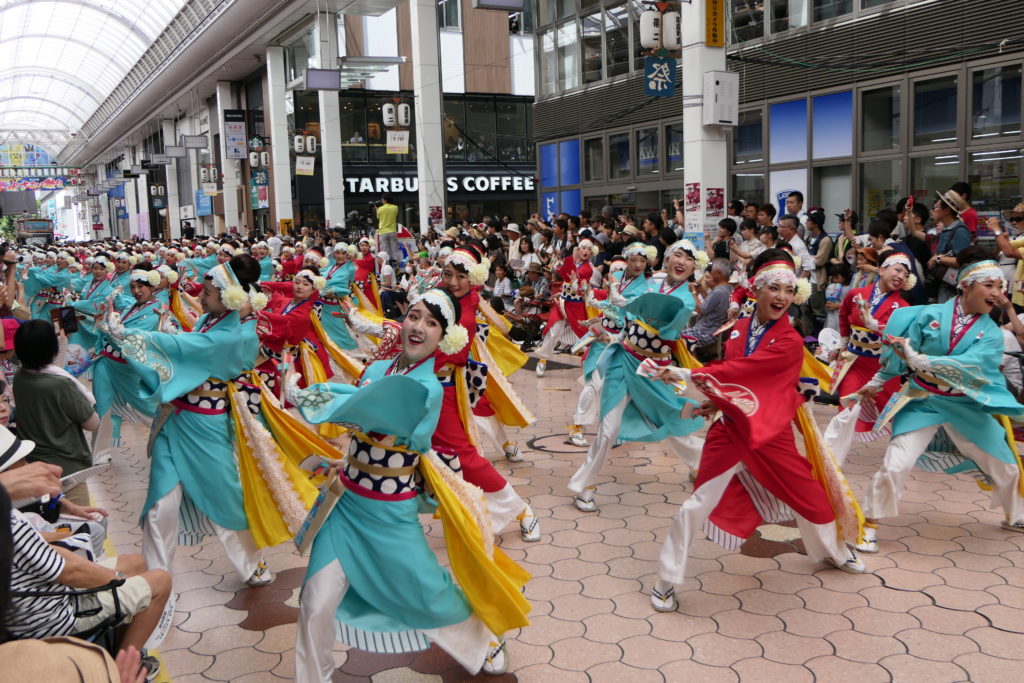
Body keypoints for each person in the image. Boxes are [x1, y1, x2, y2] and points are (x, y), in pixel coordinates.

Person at [290, 290, 529, 681]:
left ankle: (484, 639)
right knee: (315, 601)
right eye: (414, 317)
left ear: (443, 337)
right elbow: (362, 433)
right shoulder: (376, 371)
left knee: (432, 597)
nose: (418, 327)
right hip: (346, 504)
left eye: (432, 323)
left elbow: (376, 413)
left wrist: (315, 398)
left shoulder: (424, 390)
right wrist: (344, 461)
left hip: (389, 514)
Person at [649, 249, 866, 612]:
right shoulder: (740, 329)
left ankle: (835, 552)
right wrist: (717, 402)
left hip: (771, 433)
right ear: (757, 290)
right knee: (696, 504)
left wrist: (689, 375)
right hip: (732, 429)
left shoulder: (790, 342)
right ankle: (666, 580)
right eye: (774, 288)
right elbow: (735, 372)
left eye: (787, 289)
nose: (781, 297)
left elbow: (746, 374)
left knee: (810, 497)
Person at [108, 256, 276, 586]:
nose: (201, 297)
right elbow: (184, 345)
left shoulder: (230, 336)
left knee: (224, 502)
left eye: (209, 293)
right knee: (160, 504)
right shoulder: (210, 322)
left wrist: (125, 336)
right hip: (176, 420)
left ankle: (253, 565)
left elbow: (182, 347)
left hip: (205, 426)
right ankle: (156, 579)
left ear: (227, 300)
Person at [855, 246, 1024, 553]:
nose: (998, 293)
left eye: (1001, 286)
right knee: (896, 463)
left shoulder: (991, 334)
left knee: (1006, 464)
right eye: (990, 285)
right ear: (966, 285)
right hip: (923, 399)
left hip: (964, 404)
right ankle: (869, 523)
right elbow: (899, 348)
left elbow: (973, 365)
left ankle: (1016, 513)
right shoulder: (932, 314)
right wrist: (877, 382)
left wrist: (920, 360)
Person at [567, 240, 707, 512]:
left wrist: (635, 308)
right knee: (608, 430)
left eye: (689, 259)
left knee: (674, 423)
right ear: (666, 259)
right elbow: (627, 320)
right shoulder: (650, 285)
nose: (682, 261)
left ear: (694, 267)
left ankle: (705, 464)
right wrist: (611, 324)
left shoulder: (686, 300)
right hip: (624, 360)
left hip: (653, 371)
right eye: (677, 254)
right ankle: (583, 485)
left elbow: (666, 333)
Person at [823, 253, 912, 461]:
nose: (901, 276)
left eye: (906, 274)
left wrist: (874, 325)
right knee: (846, 405)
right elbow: (844, 318)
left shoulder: (904, 308)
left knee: (892, 410)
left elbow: (899, 336)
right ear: (881, 270)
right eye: (897, 270)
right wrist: (842, 346)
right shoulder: (856, 294)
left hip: (882, 366)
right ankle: (831, 454)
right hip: (855, 361)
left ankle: (903, 452)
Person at [12, 321, 99, 506]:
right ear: (50, 348)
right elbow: (93, 423)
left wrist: (62, 342)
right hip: (67, 471)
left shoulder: (20, 377)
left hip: (35, 466)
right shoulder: (61, 385)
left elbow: (49, 370)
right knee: (83, 523)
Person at [928, 191, 972, 303]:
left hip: (952, 287)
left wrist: (937, 259)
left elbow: (962, 261)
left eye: (936, 207)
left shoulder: (960, 231)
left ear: (947, 210)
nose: (933, 211)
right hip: (943, 282)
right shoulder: (946, 230)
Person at [680, 258, 732, 349]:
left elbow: (700, 309)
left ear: (718, 274)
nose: (711, 274)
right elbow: (711, 306)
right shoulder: (728, 288)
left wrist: (693, 291)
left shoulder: (718, 291)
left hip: (705, 332)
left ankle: (691, 362)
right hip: (713, 331)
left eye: (712, 272)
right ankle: (692, 360)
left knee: (674, 337)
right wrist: (700, 290)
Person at [374, 196, 399, 266]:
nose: (381, 201)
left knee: (385, 252)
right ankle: (397, 269)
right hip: (392, 231)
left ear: (385, 200)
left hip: (383, 232)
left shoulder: (380, 209)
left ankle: (386, 267)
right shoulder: (395, 207)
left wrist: (377, 209)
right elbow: (395, 215)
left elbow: (378, 217)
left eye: (382, 200)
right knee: (394, 250)